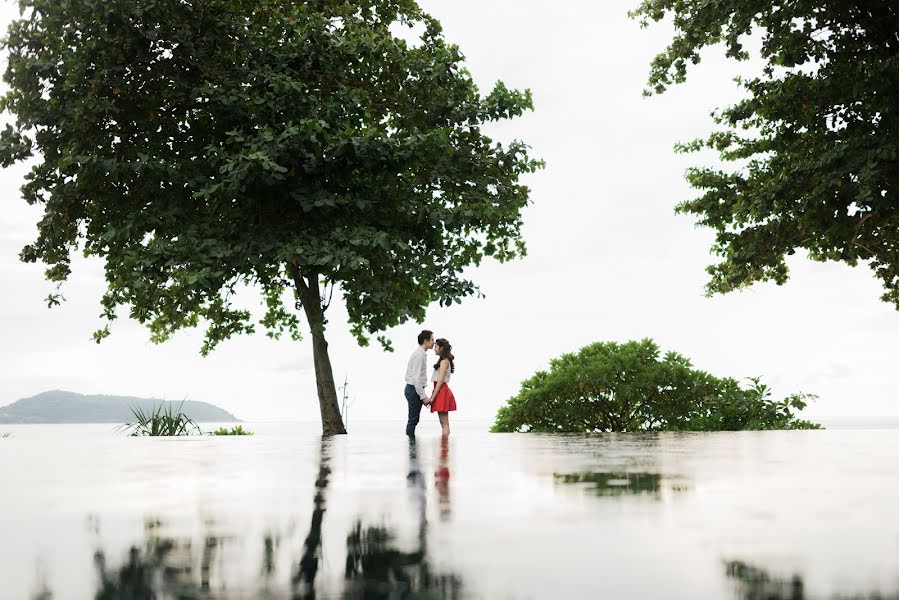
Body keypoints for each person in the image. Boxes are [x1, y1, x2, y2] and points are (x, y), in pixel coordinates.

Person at [404, 330, 434, 436]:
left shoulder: (421, 354)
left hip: (414, 389)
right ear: (425, 341)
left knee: (414, 420)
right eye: (432, 340)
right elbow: (416, 378)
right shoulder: (419, 355)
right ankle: (412, 449)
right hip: (413, 389)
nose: (434, 342)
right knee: (413, 420)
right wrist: (423, 397)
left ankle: (412, 447)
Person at [429, 338, 457, 437]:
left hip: (442, 391)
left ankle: (444, 448)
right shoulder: (443, 360)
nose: (434, 348)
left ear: (441, 348)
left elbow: (440, 381)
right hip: (441, 391)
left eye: (436, 346)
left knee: (444, 423)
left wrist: (432, 397)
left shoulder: (444, 361)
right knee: (444, 423)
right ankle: (445, 447)